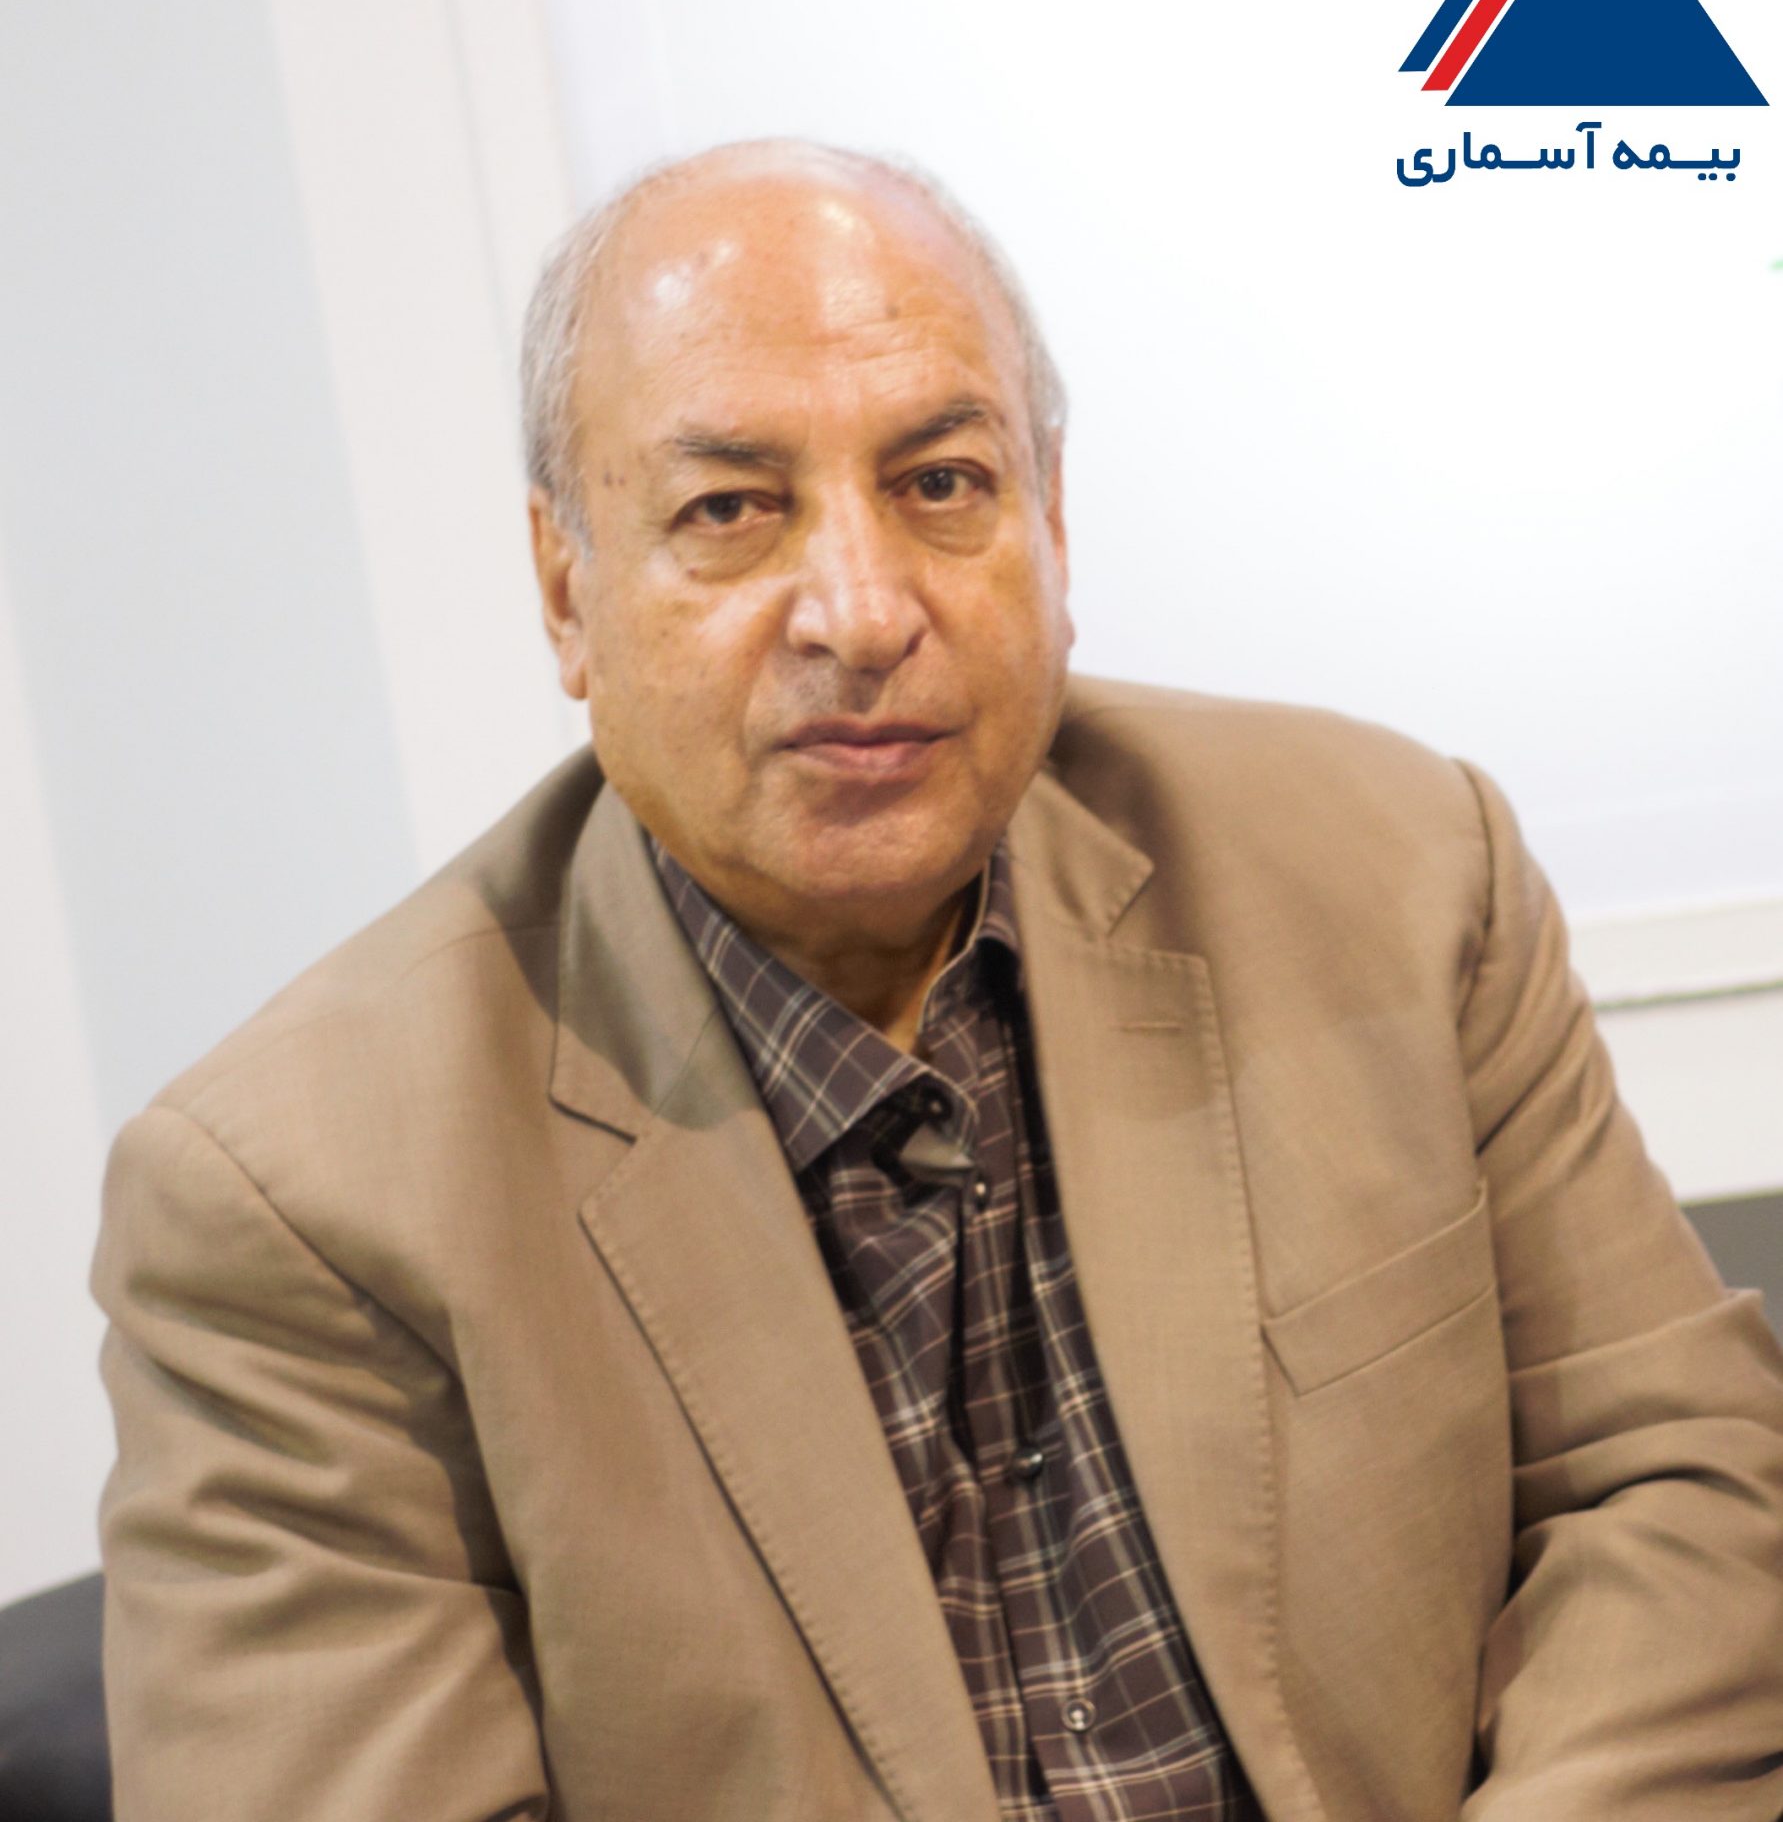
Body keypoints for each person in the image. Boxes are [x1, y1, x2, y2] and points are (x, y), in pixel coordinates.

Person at [93, 139, 1783, 1822]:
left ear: (1052, 521)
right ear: (566, 593)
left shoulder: (1395, 874)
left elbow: (1674, 1483)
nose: (861, 609)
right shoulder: (299, 1204)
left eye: (940, 482)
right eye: (730, 510)